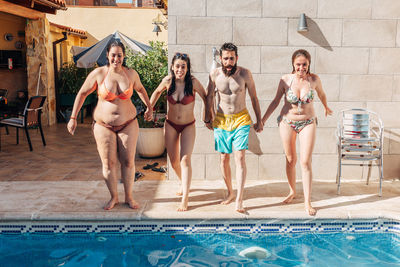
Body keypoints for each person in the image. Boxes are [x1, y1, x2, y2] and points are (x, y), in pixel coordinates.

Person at [67, 41, 153, 210]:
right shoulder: (98, 74)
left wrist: (149, 108)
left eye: (119, 55)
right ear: (107, 55)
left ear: (124, 56)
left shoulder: (131, 74)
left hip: (128, 123)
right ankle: (114, 197)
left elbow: (141, 90)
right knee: (108, 163)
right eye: (113, 55)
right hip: (103, 125)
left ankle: (129, 197)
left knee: (128, 162)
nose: (116, 58)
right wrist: (73, 117)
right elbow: (82, 93)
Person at [261, 49, 332, 216]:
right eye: (298, 64)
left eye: (304, 64)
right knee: (291, 159)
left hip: (308, 122)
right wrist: (263, 120)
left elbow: (321, 94)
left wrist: (326, 106)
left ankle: (307, 202)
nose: (301, 67)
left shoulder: (314, 79)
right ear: (293, 64)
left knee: (305, 162)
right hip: (287, 122)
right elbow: (276, 101)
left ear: (309, 64)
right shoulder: (286, 80)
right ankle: (292, 191)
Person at [205, 43, 263, 213]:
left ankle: (239, 199)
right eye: (225, 58)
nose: (229, 62)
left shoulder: (245, 74)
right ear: (221, 59)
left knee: (240, 157)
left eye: (232, 58)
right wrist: (207, 117)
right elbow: (209, 97)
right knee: (224, 159)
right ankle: (230, 192)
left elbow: (254, 97)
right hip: (222, 120)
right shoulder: (214, 74)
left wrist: (259, 120)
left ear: (237, 58)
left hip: (241, 119)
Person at [150, 52, 207, 211]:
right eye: (177, 66)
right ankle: (184, 182)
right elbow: (156, 92)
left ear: (187, 68)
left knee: (184, 160)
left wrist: (207, 115)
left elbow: (206, 97)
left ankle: (185, 198)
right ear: (172, 67)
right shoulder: (168, 81)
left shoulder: (193, 82)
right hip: (171, 124)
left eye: (183, 66)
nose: (180, 69)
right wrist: (149, 108)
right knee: (174, 162)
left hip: (188, 125)